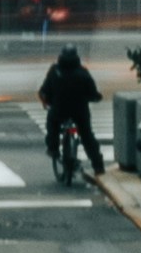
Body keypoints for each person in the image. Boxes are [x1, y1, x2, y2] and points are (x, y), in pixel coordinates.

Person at [37, 43, 104, 185]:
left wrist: (47, 100)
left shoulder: (54, 71)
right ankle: (98, 166)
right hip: (80, 111)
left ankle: (53, 148)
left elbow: (45, 91)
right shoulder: (83, 72)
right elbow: (93, 92)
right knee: (87, 136)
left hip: (59, 110)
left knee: (52, 123)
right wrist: (95, 97)